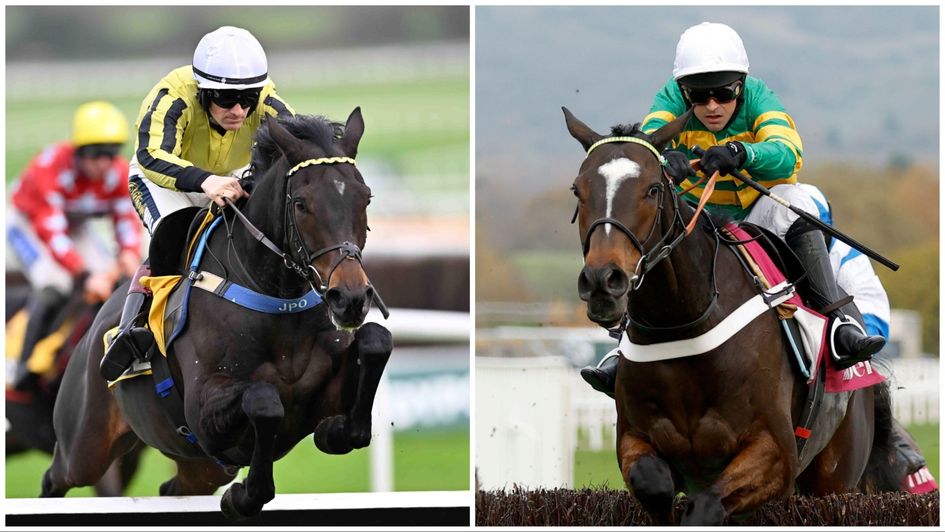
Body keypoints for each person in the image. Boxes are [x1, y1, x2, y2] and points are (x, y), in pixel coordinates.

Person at [581, 21, 885, 396]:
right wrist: (664, 158)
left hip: (758, 219)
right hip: (700, 220)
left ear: (741, 85)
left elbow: (788, 154)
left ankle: (837, 323)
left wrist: (743, 153)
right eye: (699, 94)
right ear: (682, 90)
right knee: (652, 217)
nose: (711, 106)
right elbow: (648, 145)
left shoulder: (760, 98)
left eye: (724, 93)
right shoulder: (669, 100)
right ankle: (624, 344)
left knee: (800, 199)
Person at [99, 26, 296, 381]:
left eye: (248, 98)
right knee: (173, 236)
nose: (238, 110)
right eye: (225, 99)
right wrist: (205, 181)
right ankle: (131, 331)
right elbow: (150, 154)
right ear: (203, 92)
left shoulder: (266, 99)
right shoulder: (171, 96)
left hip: (226, 175)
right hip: (162, 178)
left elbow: (297, 141)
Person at [8, 100, 142, 391]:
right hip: (26, 223)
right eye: (95, 155)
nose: (103, 163)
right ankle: (20, 363)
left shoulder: (117, 173)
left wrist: (129, 254)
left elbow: (124, 222)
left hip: (73, 225)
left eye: (110, 154)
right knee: (55, 282)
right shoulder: (51, 168)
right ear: (78, 152)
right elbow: (51, 231)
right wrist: (83, 274)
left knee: (114, 276)